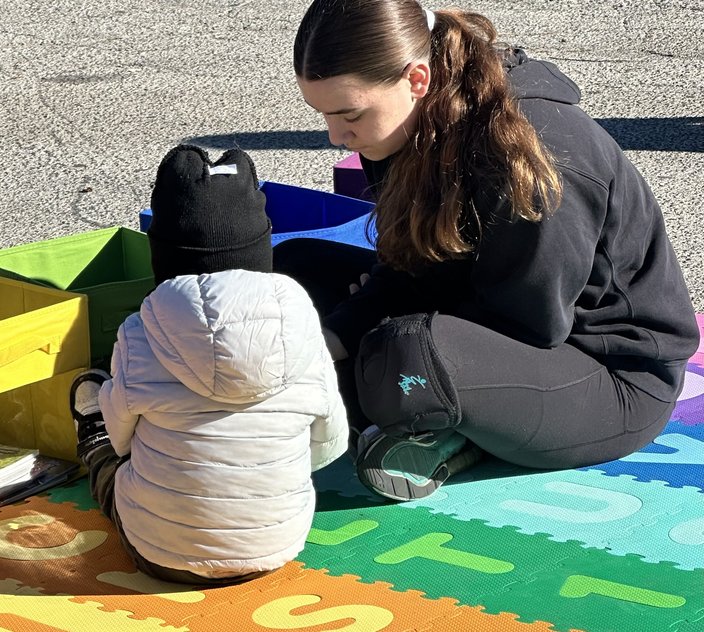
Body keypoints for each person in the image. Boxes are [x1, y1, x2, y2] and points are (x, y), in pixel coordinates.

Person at [273, 0, 700, 502]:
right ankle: (422, 413)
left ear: (416, 79)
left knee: (404, 355)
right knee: (293, 274)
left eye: (349, 114)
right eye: (324, 115)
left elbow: (529, 324)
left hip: (604, 372)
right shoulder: (399, 129)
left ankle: (446, 430)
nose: (334, 136)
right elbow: (410, 268)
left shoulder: (536, 156)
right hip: (483, 318)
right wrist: (332, 336)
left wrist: (358, 338)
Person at [69, 144, 349, 584]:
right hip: (277, 546)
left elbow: (123, 439)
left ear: (161, 258)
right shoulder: (303, 326)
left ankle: (89, 440)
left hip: (160, 552)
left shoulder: (141, 330)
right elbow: (330, 444)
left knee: (108, 459)